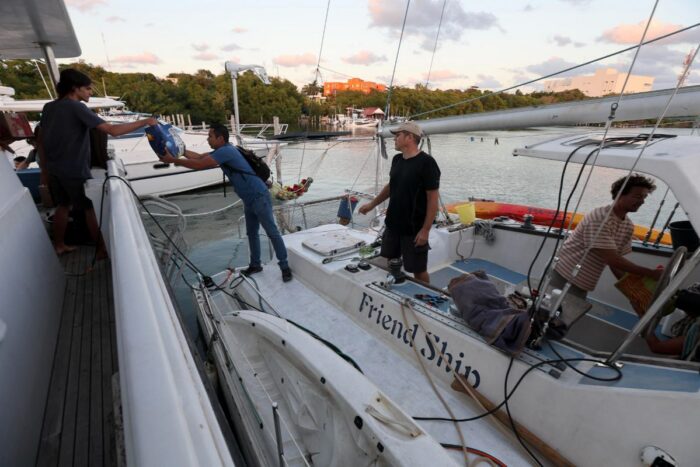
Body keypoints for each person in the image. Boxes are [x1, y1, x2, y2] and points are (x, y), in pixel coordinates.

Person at [39, 68, 157, 257]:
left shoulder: (49, 107)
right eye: (87, 88)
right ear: (75, 88)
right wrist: (145, 122)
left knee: (62, 206)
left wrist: (44, 169)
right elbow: (112, 130)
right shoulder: (77, 107)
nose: (90, 93)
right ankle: (101, 249)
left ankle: (59, 245)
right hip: (74, 169)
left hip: (55, 169)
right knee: (89, 209)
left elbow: (41, 139)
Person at [161, 123, 293, 282]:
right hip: (249, 199)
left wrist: (172, 160)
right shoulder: (223, 150)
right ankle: (255, 264)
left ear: (220, 138)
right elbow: (200, 157)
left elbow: (200, 165)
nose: (207, 139)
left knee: (272, 232)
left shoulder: (226, 151)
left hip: (259, 196)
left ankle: (285, 267)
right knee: (252, 233)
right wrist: (181, 152)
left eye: (210, 136)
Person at [551, 174, 664, 299]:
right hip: (562, 274)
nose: (642, 201)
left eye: (644, 197)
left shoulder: (627, 226)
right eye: (637, 196)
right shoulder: (600, 218)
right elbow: (612, 259)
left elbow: (616, 263)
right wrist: (651, 273)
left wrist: (632, 290)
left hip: (582, 283)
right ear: (620, 194)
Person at [358, 121, 440, 283]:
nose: (394, 139)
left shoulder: (427, 163)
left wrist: (425, 230)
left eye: (398, 135)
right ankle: (396, 284)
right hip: (393, 224)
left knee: (418, 270)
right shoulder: (397, 160)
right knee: (391, 260)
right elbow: (391, 186)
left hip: (413, 229)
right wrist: (371, 205)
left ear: (410, 137)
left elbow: (432, 198)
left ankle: (425, 294)